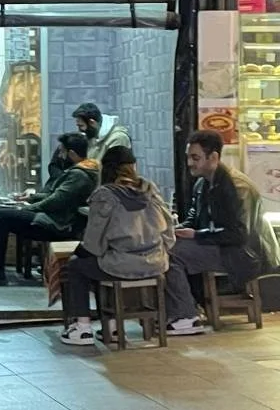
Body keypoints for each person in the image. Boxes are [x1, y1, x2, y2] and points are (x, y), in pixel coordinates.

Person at [166, 130, 279, 335]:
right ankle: (184, 311)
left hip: (242, 253)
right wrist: (177, 229)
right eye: (189, 157)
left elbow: (238, 235)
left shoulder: (237, 187)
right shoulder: (202, 183)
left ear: (214, 157)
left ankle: (186, 316)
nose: (190, 163)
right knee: (165, 246)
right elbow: (194, 218)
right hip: (219, 245)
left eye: (195, 158)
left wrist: (197, 235)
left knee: (171, 255)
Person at [60, 146, 174, 346]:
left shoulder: (105, 194)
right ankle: (111, 327)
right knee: (102, 265)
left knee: (77, 267)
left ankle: (83, 327)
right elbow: (169, 232)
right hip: (156, 263)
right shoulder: (150, 189)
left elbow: (93, 245)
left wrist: (78, 251)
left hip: (122, 264)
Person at [0, 132, 98, 286]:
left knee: (1, 217)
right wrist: (30, 198)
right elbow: (54, 194)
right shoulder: (77, 172)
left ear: (72, 154)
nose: (60, 156)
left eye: (62, 151)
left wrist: (29, 209)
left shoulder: (79, 176)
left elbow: (56, 200)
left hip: (56, 225)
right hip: (52, 218)